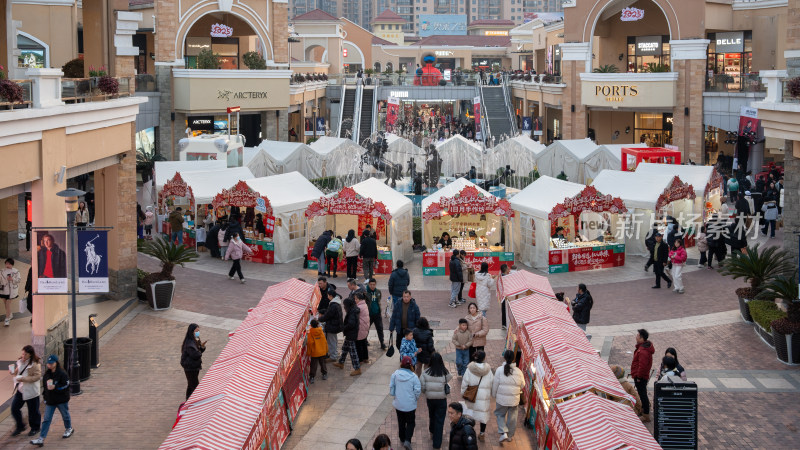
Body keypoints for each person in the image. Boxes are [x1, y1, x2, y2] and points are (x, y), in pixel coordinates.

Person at [30, 355, 73, 446]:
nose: (49, 365)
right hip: (51, 401)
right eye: (48, 364)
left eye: (51, 363)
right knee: (46, 419)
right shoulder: (47, 375)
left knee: (65, 415)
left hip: (61, 400)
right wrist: (45, 399)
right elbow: (45, 388)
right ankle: (41, 438)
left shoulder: (62, 374)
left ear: (56, 363)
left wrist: (55, 387)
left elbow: (66, 386)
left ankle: (69, 428)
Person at [492, 350, 525, 443]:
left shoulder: (499, 370)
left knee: (500, 414)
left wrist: (494, 395)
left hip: (501, 399)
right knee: (513, 417)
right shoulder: (518, 371)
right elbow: (523, 385)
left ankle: (503, 432)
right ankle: (510, 436)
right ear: (514, 358)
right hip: (514, 399)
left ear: (504, 357)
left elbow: (495, 384)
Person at [420, 352, 452, 450]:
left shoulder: (425, 372)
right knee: (440, 420)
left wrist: (426, 392)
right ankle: (437, 444)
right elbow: (450, 377)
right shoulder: (444, 372)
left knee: (432, 415)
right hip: (441, 399)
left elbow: (423, 387)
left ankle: (432, 431)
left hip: (430, 399)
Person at [390, 355, 421, 450]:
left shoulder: (395, 375)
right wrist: (415, 399)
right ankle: (408, 440)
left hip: (399, 404)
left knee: (401, 421)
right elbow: (417, 390)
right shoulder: (414, 377)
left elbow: (392, 389)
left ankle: (402, 438)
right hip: (410, 405)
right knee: (411, 422)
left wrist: (395, 395)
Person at [460, 351, 493, 441]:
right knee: (483, 416)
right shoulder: (488, 370)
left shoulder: (470, 368)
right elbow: (491, 382)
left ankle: (470, 433)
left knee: (471, 415)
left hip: (472, 396)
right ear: (484, 358)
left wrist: (463, 393)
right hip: (484, 396)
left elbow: (465, 383)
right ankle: (482, 434)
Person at [10, 345, 41, 437]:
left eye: (25, 354)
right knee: (14, 408)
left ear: (30, 355)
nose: (23, 356)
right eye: (22, 354)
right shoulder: (20, 361)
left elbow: (37, 376)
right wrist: (13, 372)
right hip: (21, 390)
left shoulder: (35, 364)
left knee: (33, 412)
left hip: (31, 392)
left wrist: (24, 379)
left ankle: (35, 428)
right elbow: (18, 371)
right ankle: (20, 426)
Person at [333, 297, 362, 376]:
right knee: (345, 348)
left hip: (351, 334)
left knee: (353, 352)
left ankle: (357, 368)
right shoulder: (353, 310)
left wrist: (343, 327)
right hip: (350, 333)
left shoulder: (352, 312)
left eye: (345, 305)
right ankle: (341, 362)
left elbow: (351, 324)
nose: (344, 307)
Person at [631, 329, 655, 423]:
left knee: (643, 394)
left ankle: (646, 414)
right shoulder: (642, 348)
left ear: (641, 338)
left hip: (640, 377)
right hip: (640, 375)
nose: (636, 337)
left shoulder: (643, 351)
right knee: (642, 393)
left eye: (637, 335)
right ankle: (643, 410)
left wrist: (639, 377)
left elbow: (642, 366)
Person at [180, 323, 206, 400]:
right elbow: (196, 355)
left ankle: (188, 399)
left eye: (198, 331)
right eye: (196, 331)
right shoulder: (190, 344)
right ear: (192, 331)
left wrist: (202, 347)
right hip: (190, 367)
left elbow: (199, 350)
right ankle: (194, 402)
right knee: (194, 386)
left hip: (193, 366)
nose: (198, 332)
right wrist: (199, 350)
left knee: (190, 384)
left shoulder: (195, 339)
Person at [319, 288, 343, 361]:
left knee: (331, 341)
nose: (327, 297)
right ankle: (333, 353)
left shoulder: (333, 305)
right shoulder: (335, 303)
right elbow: (329, 312)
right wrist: (322, 311)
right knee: (333, 340)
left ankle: (333, 356)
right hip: (335, 325)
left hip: (333, 326)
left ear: (331, 296)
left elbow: (328, 315)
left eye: (328, 295)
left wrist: (319, 319)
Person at [365, 278, 386, 350]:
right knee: (366, 329)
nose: (372, 286)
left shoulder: (378, 291)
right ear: (369, 284)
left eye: (374, 284)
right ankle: (364, 340)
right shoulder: (365, 292)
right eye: (371, 285)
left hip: (377, 314)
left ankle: (382, 342)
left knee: (380, 328)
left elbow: (379, 299)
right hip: (368, 314)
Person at [1, 258, 21, 326]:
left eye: (9, 264)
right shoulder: (2, 271)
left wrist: (12, 279)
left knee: (8, 304)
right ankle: (10, 314)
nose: (7, 265)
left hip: (12, 290)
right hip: (3, 290)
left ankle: (7, 319)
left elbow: (18, 280)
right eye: (6, 263)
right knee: (5, 304)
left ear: (12, 264)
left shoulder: (16, 271)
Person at [307, 319, 328, 383]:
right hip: (322, 351)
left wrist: (309, 352)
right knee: (323, 363)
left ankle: (312, 377)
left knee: (313, 365)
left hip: (314, 352)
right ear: (317, 324)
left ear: (311, 325)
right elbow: (324, 341)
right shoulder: (321, 331)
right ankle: (324, 374)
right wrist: (326, 350)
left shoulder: (310, 332)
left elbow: (310, 343)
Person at [355, 291, 372, 365]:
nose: (355, 300)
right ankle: (366, 358)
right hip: (365, 327)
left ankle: (360, 359)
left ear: (359, 299)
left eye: (356, 299)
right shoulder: (364, 304)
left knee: (358, 344)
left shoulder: (358, 307)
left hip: (360, 327)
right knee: (364, 343)